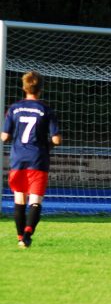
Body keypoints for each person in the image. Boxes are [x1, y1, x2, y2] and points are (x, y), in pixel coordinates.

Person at [1, 71, 62, 248]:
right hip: (38, 159)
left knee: (19, 199)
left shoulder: (14, 108)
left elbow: (5, 136)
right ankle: (28, 233)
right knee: (35, 200)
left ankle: (21, 238)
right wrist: (47, 146)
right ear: (41, 89)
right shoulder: (46, 109)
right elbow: (57, 139)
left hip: (18, 159)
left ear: (24, 87)